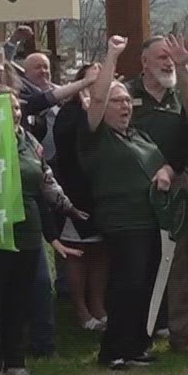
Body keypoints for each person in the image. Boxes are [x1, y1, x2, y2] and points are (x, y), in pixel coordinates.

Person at [0, 85, 83, 375]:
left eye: (17, 108)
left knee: (18, 297)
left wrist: (52, 235)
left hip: (26, 227)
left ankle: (15, 361)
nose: (15, 113)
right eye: (7, 108)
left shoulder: (26, 140)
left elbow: (38, 186)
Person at [83, 36, 177, 371]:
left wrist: (166, 170)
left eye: (127, 102)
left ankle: (138, 345)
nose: (124, 107)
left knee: (146, 283)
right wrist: (112, 55)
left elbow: (164, 160)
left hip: (151, 219)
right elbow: (96, 96)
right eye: (117, 101)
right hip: (122, 221)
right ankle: (114, 350)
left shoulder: (139, 135)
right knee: (127, 284)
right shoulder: (96, 136)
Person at [127, 35, 188, 351]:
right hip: (134, 187)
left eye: (171, 58)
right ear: (144, 62)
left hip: (177, 185)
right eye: (161, 57)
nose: (168, 62)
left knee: (179, 261)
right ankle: (139, 331)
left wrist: (171, 168)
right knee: (139, 261)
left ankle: (181, 335)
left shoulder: (180, 94)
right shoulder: (127, 94)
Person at [51, 63, 109, 333]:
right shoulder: (69, 113)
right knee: (78, 253)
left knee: (99, 252)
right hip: (75, 193)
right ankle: (81, 310)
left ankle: (99, 307)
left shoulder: (108, 111)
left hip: (101, 193)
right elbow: (66, 150)